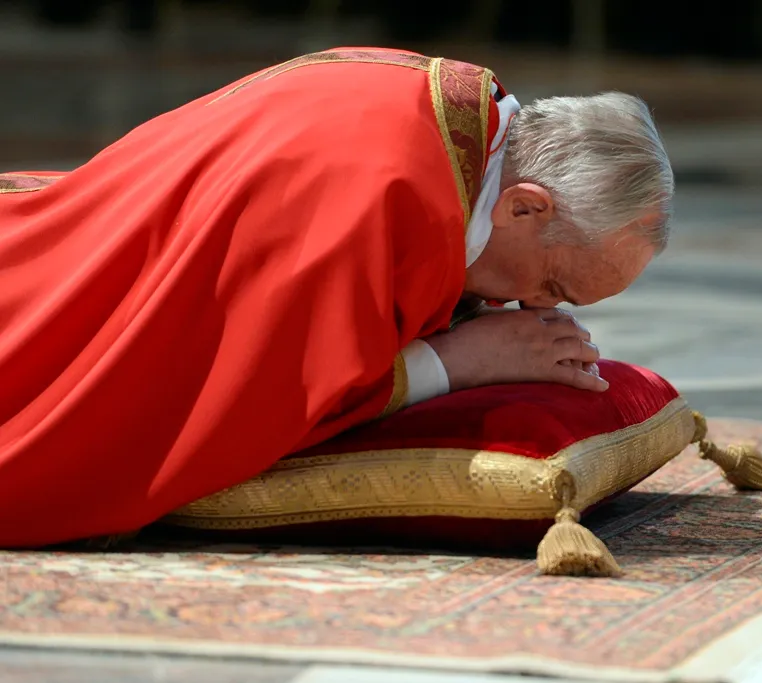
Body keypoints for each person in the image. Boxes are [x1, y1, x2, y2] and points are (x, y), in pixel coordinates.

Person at [0, 47, 674, 547]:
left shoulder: (465, 114)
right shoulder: (376, 203)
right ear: (524, 207)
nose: (536, 312)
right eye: (551, 287)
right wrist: (458, 362)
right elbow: (255, 388)